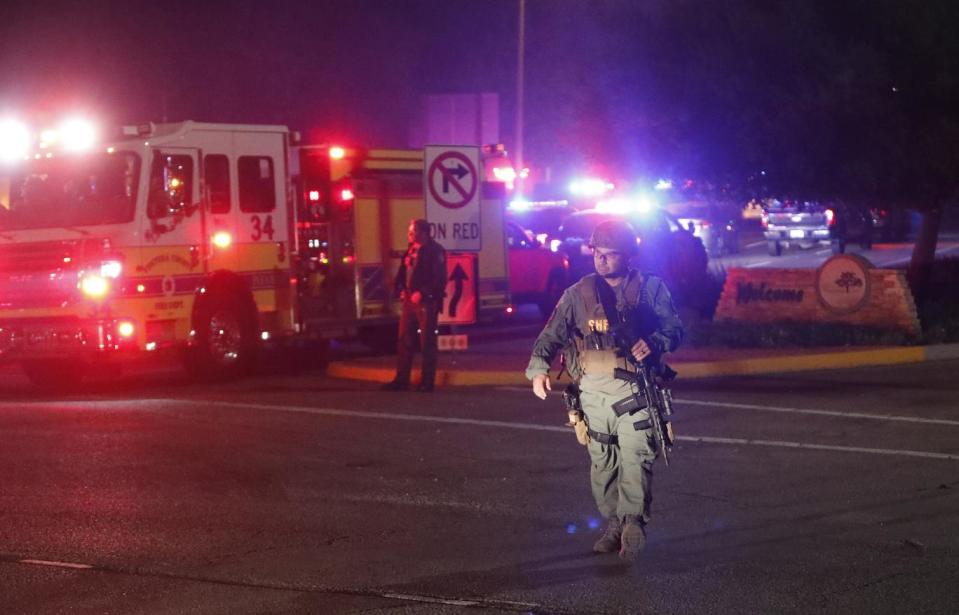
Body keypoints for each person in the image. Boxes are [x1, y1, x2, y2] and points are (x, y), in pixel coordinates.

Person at [525, 219, 683, 562]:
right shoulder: (578, 294)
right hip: (592, 395)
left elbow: (674, 329)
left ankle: (633, 522)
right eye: (598, 253)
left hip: (635, 392)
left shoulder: (649, 288)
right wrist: (539, 368)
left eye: (611, 254)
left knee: (636, 457)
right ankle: (614, 523)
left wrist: (653, 343)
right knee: (603, 464)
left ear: (628, 256)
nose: (603, 260)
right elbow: (552, 333)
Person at [382, 218, 447, 392]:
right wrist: (402, 289)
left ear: (423, 233)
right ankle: (401, 380)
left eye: (412, 232)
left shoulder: (435, 251)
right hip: (409, 301)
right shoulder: (411, 250)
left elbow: (439, 278)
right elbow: (404, 273)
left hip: (426, 302)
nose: (409, 235)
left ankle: (427, 382)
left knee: (427, 342)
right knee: (404, 340)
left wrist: (423, 293)